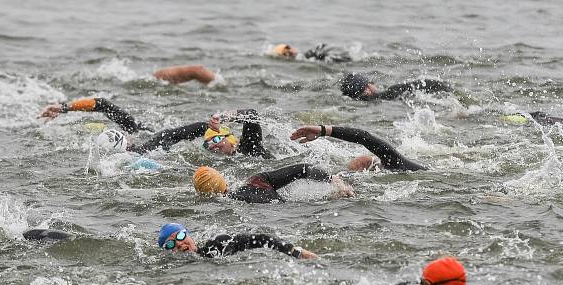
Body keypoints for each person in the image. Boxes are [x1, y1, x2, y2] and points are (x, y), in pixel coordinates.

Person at [40, 100, 273, 158]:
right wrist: (64, 107)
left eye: (213, 142)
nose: (211, 148)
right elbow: (104, 104)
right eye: (207, 144)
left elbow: (252, 114)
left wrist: (223, 116)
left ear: (228, 135)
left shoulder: (251, 149)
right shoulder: (143, 140)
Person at [290, 124, 427, 172]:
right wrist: (324, 130)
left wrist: (324, 130)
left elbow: (364, 137)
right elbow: (364, 138)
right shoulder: (396, 164)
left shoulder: (395, 164)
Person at [192, 165, 354, 203]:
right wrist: (332, 179)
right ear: (222, 180)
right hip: (296, 212)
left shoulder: (231, 201)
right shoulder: (256, 181)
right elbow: (303, 169)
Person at [157, 223, 318, 259]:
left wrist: (294, 251)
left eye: (179, 236)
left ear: (188, 234)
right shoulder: (172, 266)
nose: (178, 244)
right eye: (170, 244)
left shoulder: (217, 245)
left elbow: (259, 239)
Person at [340, 73, 452, 101]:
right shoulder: (391, 92)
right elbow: (430, 84)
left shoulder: (363, 100)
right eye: (370, 82)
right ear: (367, 89)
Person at [268, 43, 351, 63]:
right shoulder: (304, 56)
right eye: (286, 50)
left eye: (288, 47)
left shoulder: (304, 56)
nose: (290, 50)